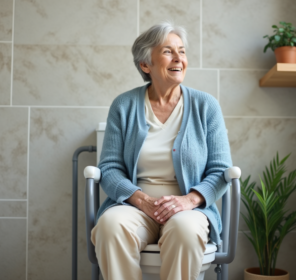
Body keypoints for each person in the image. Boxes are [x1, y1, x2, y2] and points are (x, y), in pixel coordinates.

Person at [91, 22, 232, 280]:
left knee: (186, 230)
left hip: (189, 210)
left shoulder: (206, 106)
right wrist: (143, 201)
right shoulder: (124, 105)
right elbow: (109, 169)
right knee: (110, 226)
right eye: (168, 51)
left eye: (182, 51)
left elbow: (221, 170)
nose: (179, 58)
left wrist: (187, 201)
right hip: (135, 208)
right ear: (146, 65)